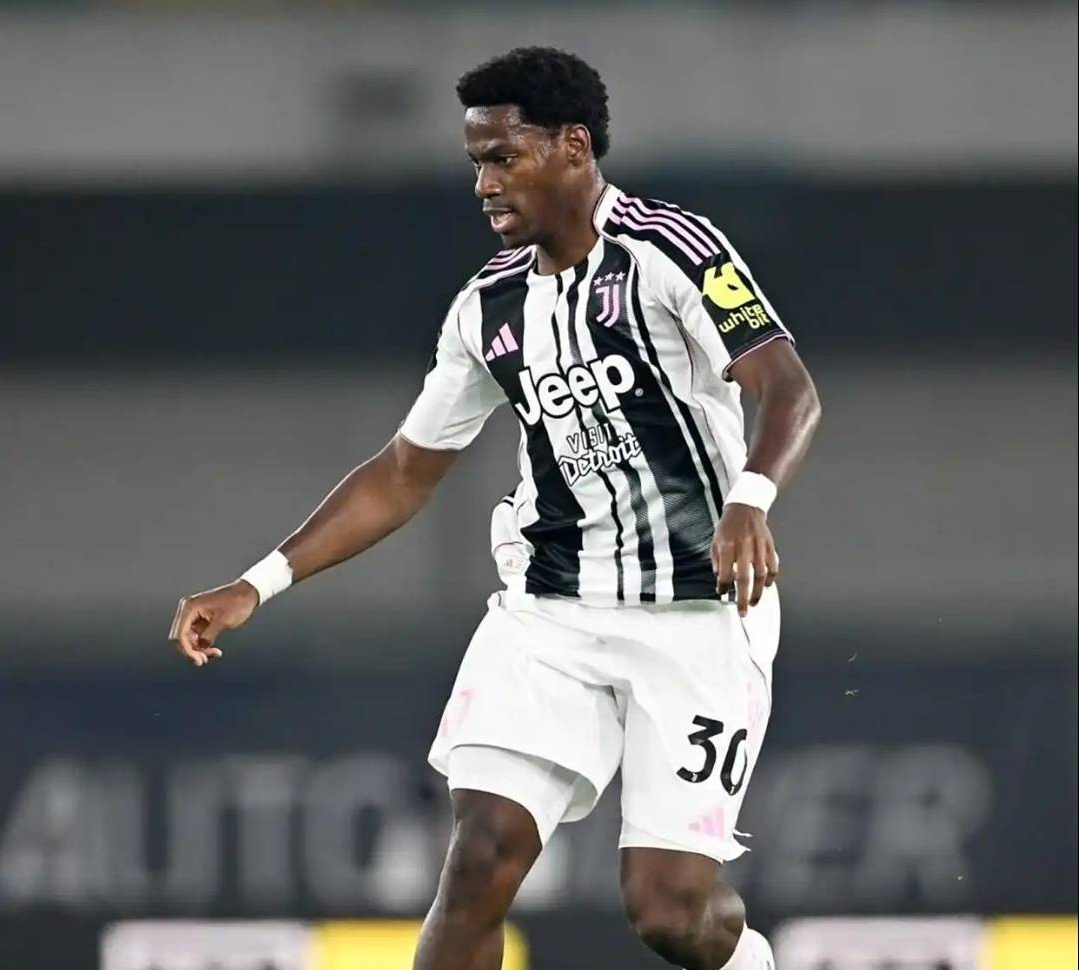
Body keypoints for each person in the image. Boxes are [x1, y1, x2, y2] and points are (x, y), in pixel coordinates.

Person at [169, 47, 821, 970]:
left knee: (670, 914)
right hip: (550, 615)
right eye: (476, 161)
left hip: (700, 619)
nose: (483, 184)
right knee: (479, 860)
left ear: (573, 146)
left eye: (503, 158)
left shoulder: (676, 250)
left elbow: (788, 389)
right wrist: (257, 583)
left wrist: (749, 500)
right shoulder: (488, 306)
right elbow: (404, 471)